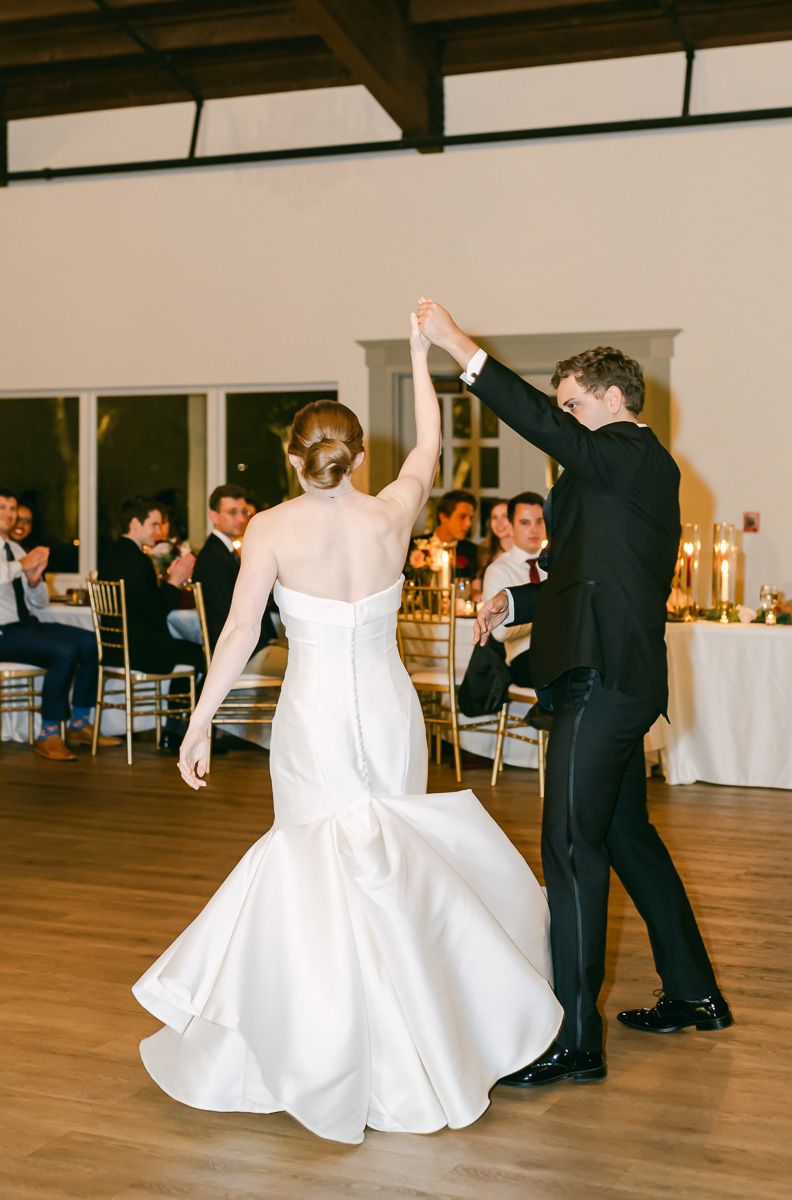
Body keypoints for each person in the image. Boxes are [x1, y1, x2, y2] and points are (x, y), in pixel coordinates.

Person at [132, 310, 563, 1146]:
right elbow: (428, 451)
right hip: (389, 705)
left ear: (295, 458)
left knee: (316, 866)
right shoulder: (393, 513)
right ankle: (418, 1046)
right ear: (357, 455)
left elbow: (236, 636)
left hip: (315, 713)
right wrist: (418, 355)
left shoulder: (268, 528)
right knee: (390, 864)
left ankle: (323, 1047)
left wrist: (200, 720)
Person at [416, 298, 731, 1088]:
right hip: (617, 675)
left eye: (574, 405)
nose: (565, 419)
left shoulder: (628, 451)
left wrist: (461, 347)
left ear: (615, 402)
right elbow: (582, 573)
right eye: (564, 408)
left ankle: (574, 1040)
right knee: (625, 839)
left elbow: (540, 427)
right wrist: (514, 602)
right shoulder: (621, 474)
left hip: (602, 680)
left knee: (568, 847)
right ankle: (695, 994)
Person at [0, 486, 120, 761]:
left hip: (25, 625)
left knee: (90, 641)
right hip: (3, 632)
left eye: (12, 508)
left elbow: (39, 602)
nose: (9, 514)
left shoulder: (15, 548)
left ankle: (79, 722)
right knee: (63, 652)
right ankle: (49, 733)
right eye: (2, 507)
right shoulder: (18, 555)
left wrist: (33, 581)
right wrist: (23, 565)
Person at [102, 498, 203, 750]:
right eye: (154, 524)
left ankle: (175, 729)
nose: (158, 531)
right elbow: (153, 613)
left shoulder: (113, 553)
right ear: (135, 523)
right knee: (200, 655)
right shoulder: (136, 560)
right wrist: (173, 582)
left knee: (189, 651)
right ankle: (176, 730)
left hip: (115, 648)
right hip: (139, 651)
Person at [192, 484, 279, 656]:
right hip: (235, 652)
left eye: (244, 512)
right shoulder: (213, 557)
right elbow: (227, 612)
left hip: (242, 645)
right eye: (232, 512)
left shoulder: (223, 552)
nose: (241, 519)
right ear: (214, 516)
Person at [482, 491, 547, 689]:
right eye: (525, 523)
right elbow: (500, 632)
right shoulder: (498, 570)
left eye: (540, 521)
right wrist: (548, 617)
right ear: (510, 526)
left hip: (564, 651)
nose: (534, 529)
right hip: (523, 659)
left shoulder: (559, 562)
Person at [435, 489, 478, 579]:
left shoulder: (474, 552)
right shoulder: (413, 546)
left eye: (470, 518)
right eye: (462, 517)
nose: (468, 523)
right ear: (443, 517)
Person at [475, 498, 513, 581]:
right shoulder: (484, 551)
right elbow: (476, 588)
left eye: (505, 516)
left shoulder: (527, 553)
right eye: (495, 517)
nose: (499, 523)